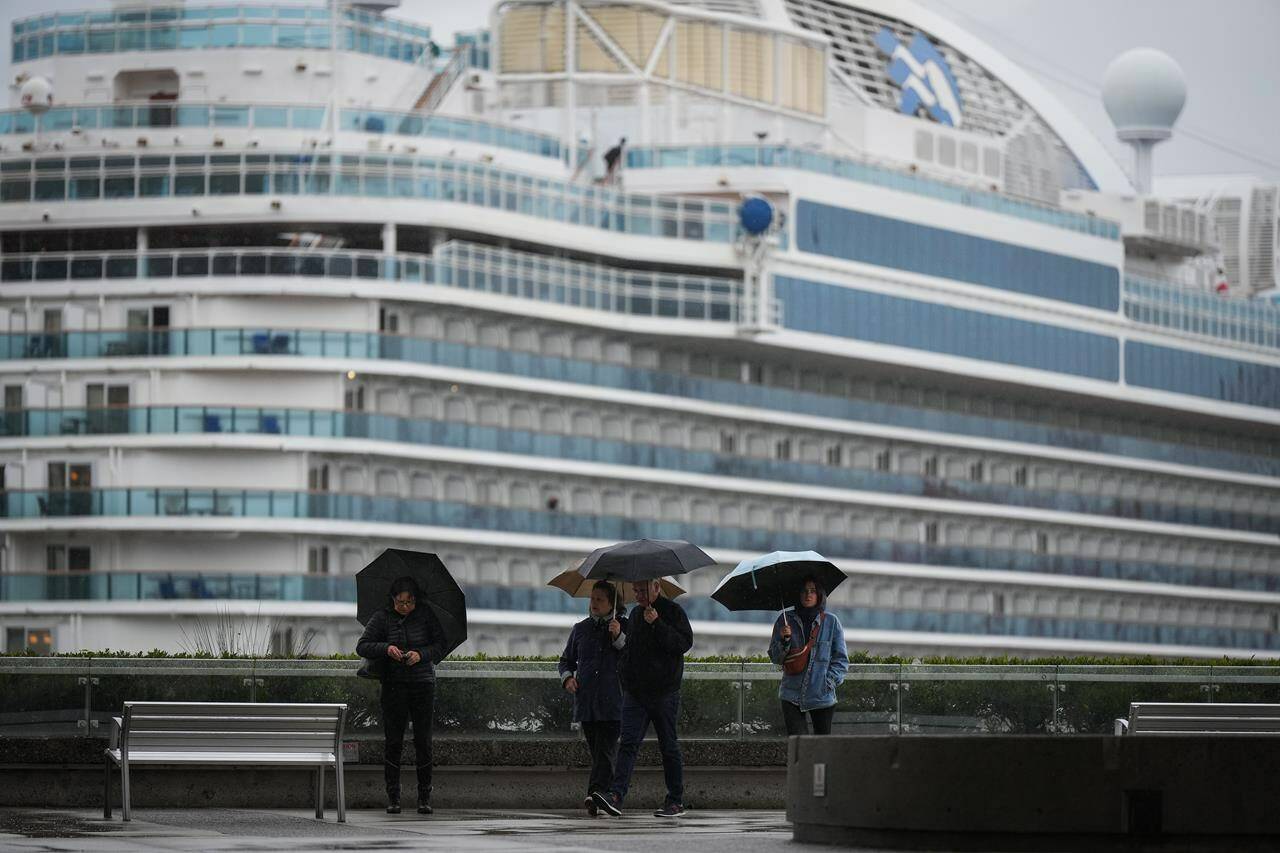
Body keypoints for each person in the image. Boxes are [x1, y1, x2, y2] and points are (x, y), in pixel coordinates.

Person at [591, 578, 693, 819]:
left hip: (664, 692)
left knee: (668, 746)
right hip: (636, 694)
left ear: (656, 586)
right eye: (635, 591)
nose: (637, 595)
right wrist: (618, 639)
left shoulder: (673, 611)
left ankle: (675, 800)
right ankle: (616, 795)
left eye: (642, 590)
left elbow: (683, 644)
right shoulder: (636, 615)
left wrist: (657, 623)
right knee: (627, 745)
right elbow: (629, 649)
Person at [356, 576, 444, 815]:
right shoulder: (382, 617)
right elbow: (362, 646)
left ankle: (424, 797)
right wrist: (387, 648)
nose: (405, 606)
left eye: (409, 602)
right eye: (400, 602)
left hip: (423, 683)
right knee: (393, 741)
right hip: (394, 685)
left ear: (416, 599)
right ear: (392, 599)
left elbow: (439, 646)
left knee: (423, 742)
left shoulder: (426, 615)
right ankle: (393, 797)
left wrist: (420, 655)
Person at [558, 580, 626, 816]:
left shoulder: (624, 626)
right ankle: (600, 796)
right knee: (597, 751)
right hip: (587, 701)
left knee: (606, 751)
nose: (594, 603)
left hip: (614, 700)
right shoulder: (580, 628)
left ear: (612, 603)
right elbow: (566, 660)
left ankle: (594, 794)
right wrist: (568, 678)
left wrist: (618, 637)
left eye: (600, 600)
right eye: (592, 599)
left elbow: (634, 658)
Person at [768, 576, 848, 735]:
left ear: (819, 595)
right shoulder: (785, 621)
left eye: (812, 591)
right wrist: (785, 640)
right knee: (799, 744)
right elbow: (775, 658)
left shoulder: (831, 622)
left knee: (822, 746)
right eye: (804, 591)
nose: (808, 595)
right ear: (798, 594)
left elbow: (841, 660)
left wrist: (828, 683)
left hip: (822, 696)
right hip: (791, 694)